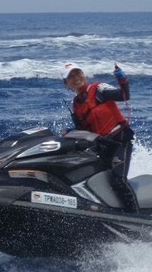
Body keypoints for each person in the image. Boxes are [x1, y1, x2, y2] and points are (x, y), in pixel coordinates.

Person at [59, 61, 139, 213]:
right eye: (71, 77)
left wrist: (122, 80)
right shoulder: (76, 104)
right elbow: (84, 131)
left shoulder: (98, 89)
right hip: (103, 146)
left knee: (118, 181)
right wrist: (69, 132)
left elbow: (124, 95)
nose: (76, 78)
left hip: (119, 142)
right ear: (66, 83)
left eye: (78, 73)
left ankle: (136, 217)